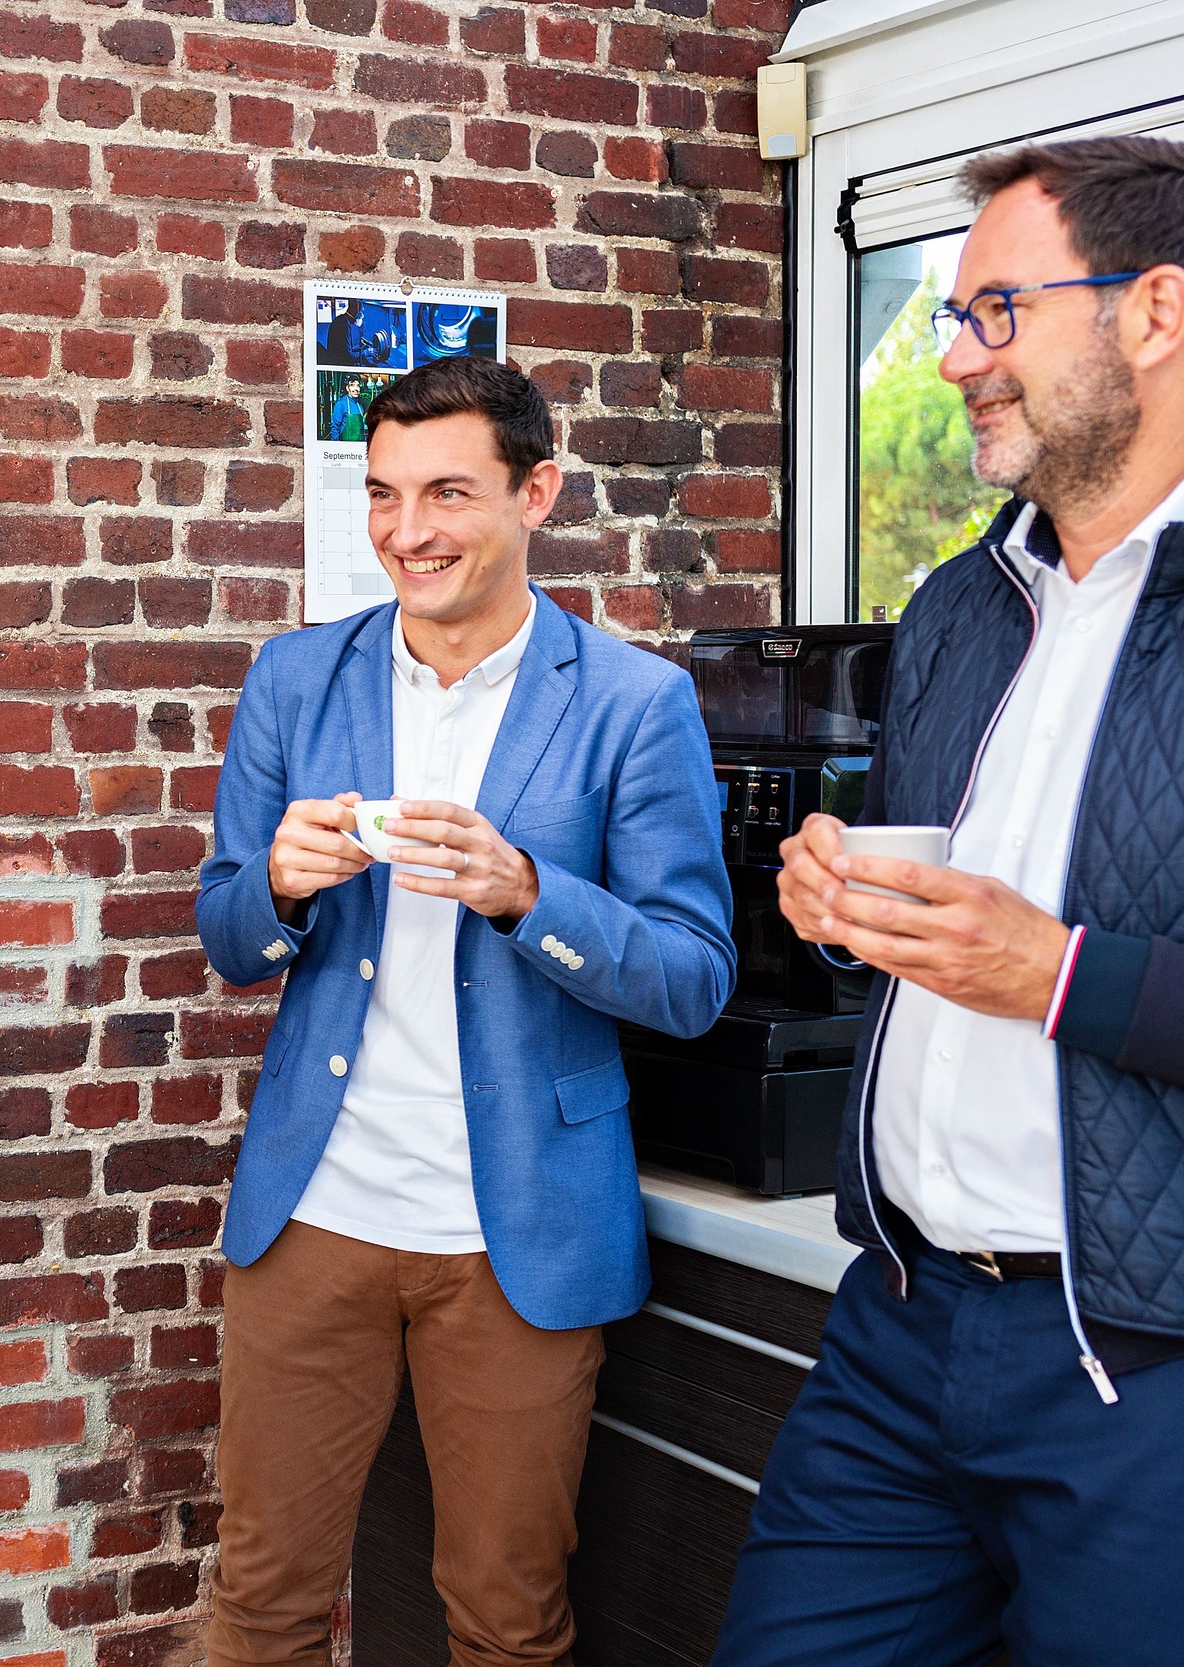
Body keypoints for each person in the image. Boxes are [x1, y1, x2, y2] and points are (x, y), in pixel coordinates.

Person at [714, 136, 1184, 1665]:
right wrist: (839, 893)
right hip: (898, 1326)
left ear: (1156, 313)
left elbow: (1044, 956)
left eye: (996, 311)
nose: (956, 357)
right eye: (955, 317)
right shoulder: (962, 602)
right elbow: (956, 887)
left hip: (1170, 1372)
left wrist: (1058, 973)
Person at [196, 354, 735, 1667]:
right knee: (261, 1601)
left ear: (535, 491)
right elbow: (226, 935)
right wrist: (275, 882)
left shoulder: (635, 703)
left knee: (505, 1618)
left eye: (445, 492)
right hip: (316, 1213)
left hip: (521, 1240)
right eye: (382, 496)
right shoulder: (296, 679)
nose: (406, 533)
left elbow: (692, 975)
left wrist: (528, 893)